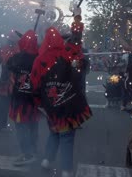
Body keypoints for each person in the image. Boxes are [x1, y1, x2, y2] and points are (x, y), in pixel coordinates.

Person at [31, 27, 92, 177]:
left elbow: (35, 83)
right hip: (68, 102)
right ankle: (66, 170)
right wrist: (77, 21)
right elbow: (80, 59)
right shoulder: (67, 56)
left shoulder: (40, 59)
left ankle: (47, 160)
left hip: (50, 104)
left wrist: (40, 103)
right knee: (67, 137)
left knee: (54, 132)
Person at [6, 30, 40, 166]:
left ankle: (27, 154)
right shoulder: (39, 57)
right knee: (33, 125)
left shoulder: (17, 57)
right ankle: (33, 151)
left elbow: (8, 64)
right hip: (34, 99)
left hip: (20, 98)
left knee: (21, 126)